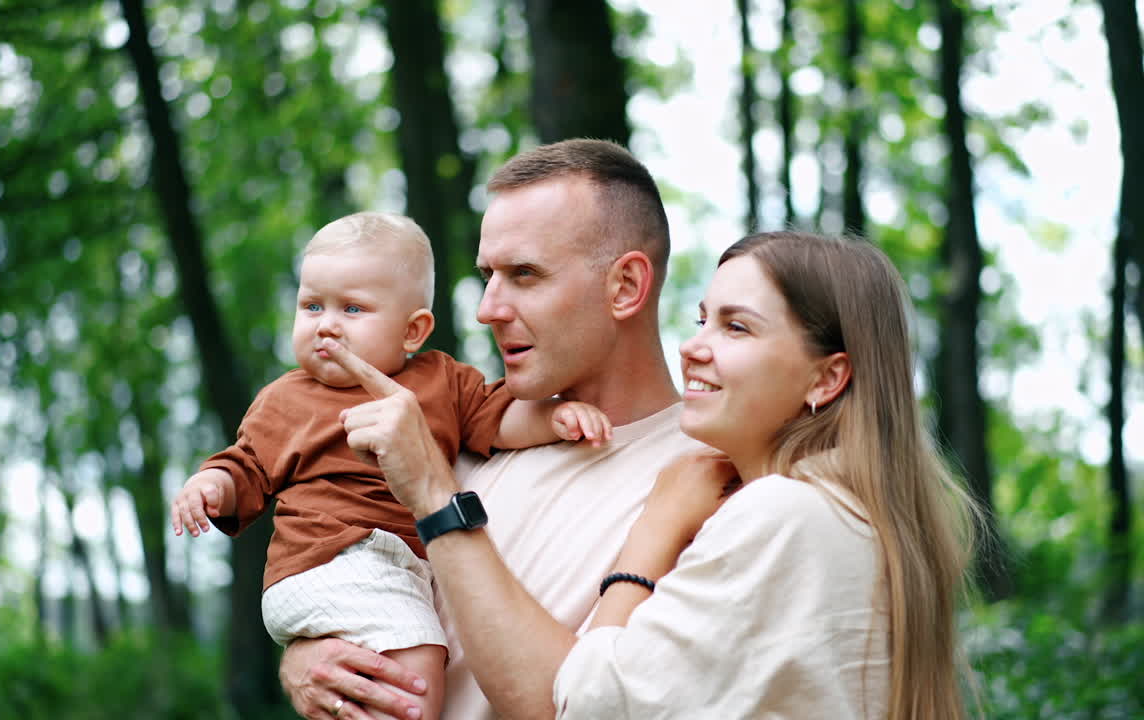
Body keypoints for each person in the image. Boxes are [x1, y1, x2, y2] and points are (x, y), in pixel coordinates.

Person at [324, 230, 979, 719]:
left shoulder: (786, 514)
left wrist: (436, 494)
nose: (694, 346)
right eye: (702, 319)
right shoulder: (838, 511)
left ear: (827, 378)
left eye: (737, 327)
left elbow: (587, 706)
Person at [279, 140, 707, 720]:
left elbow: (585, 707)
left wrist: (436, 496)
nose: (487, 309)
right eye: (488, 275)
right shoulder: (456, 437)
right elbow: (357, 591)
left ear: (626, 286)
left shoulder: (712, 481)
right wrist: (307, 656)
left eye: (524, 274)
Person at [168, 211, 613, 720]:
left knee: (376, 685)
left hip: (387, 566)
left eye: (352, 308)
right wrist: (211, 484)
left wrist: (556, 416)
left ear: (413, 330)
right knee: (416, 669)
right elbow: (247, 465)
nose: (325, 324)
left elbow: (498, 416)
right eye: (311, 305)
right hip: (332, 554)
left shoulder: (442, 381)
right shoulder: (284, 398)